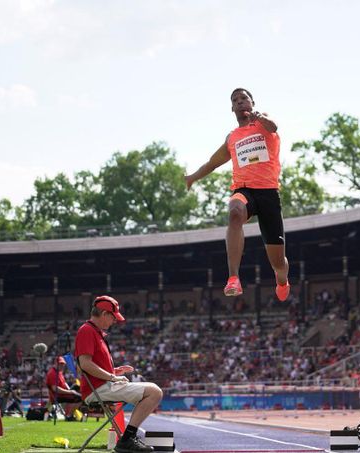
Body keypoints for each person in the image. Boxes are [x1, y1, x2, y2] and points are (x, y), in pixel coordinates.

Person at [184, 88, 290, 301]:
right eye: (235, 100)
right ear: (232, 108)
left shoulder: (264, 123)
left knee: (278, 263)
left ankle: (282, 280)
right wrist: (192, 177)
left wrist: (259, 116)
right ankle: (233, 278)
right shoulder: (232, 137)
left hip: (268, 193)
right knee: (234, 212)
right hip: (244, 190)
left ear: (252, 102)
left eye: (244, 98)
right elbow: (213, 163)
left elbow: (274, 126)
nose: (240, 102)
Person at [75, 295, 163, 453]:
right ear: (104, 314)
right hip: (97, 390)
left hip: (102, 386)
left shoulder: (94, 331)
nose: (114, 321)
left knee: (152, 391)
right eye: (113, 317)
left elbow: (90, 367)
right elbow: (85, 365)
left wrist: (114, 371)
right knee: (155, 392)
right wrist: (112, 377)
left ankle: (127, 438)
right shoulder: (87, 331)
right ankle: (127, 439)